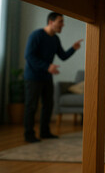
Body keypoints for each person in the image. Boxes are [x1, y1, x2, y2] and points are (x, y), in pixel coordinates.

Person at [24, 12, 83, 143]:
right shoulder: (36, 35)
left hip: (46, 77)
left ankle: (44, 132)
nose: (63, 24)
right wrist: (47, 66)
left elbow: (62, 56)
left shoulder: (55, 39)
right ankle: (29, 134)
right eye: (60, 21)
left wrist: (73, 48)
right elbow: (29, 56)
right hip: (33, 77)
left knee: (48, 105)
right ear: (51, 22)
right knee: (31, 106)